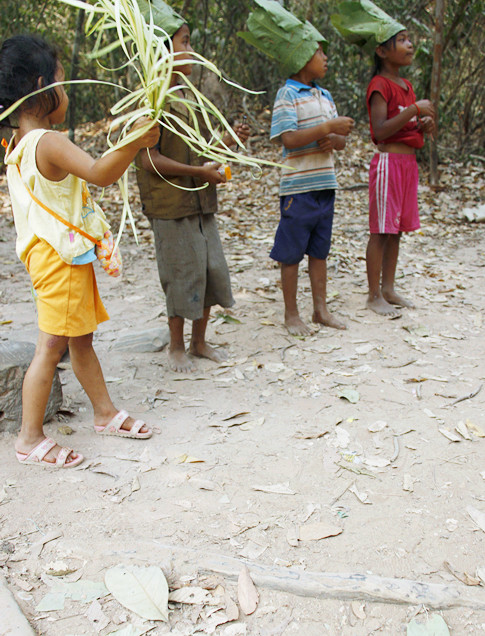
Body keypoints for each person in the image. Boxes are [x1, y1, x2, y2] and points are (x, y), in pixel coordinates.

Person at [0, 35, 160, 468]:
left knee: (79, 339)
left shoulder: (15, 143)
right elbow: (99, 173)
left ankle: (104, 412)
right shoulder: (47, 142)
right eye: (61, 83)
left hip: (53, 254)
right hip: (59, 257)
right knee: (51, 346)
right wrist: (135, 142)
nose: (66, 93)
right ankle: (30, 437)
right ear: (41, 87)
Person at [135, 3, 250, 372]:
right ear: (162, 51)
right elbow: (147, 160)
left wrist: (229, 144)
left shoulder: (190, 99)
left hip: (201, 205)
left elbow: (203, 152)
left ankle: (199, 343)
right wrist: (198, 173)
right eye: (184, 42)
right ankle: (176, 347)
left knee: (209, 271)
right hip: (171, 206)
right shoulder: (150, 102)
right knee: (182, 275)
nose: (190, 50)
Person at [239, 0, 354, 335]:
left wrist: (334, 139)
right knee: (290, 254)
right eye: (320, 52)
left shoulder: (325, 95)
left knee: (320, 252)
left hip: (324, 186)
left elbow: (339, 141)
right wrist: (324, 129)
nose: (326, 58)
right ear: (303, 57)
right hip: (298, 190)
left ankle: (321, 310)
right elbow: (287, 139)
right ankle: (291, 314)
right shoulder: (287, 95)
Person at [331, 0, 435, 316]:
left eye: (409, 39)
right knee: (381, 229)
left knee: (397, 229)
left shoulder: (407, 86)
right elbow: (380, 130)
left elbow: (406, 124)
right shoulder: (380, 85)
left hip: (408, 164)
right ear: (382, 51)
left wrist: (423, 123)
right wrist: (415, 111)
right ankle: (373, 293)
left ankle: (389, 288)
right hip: (389, 164)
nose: (409, 44)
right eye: (402, 40)